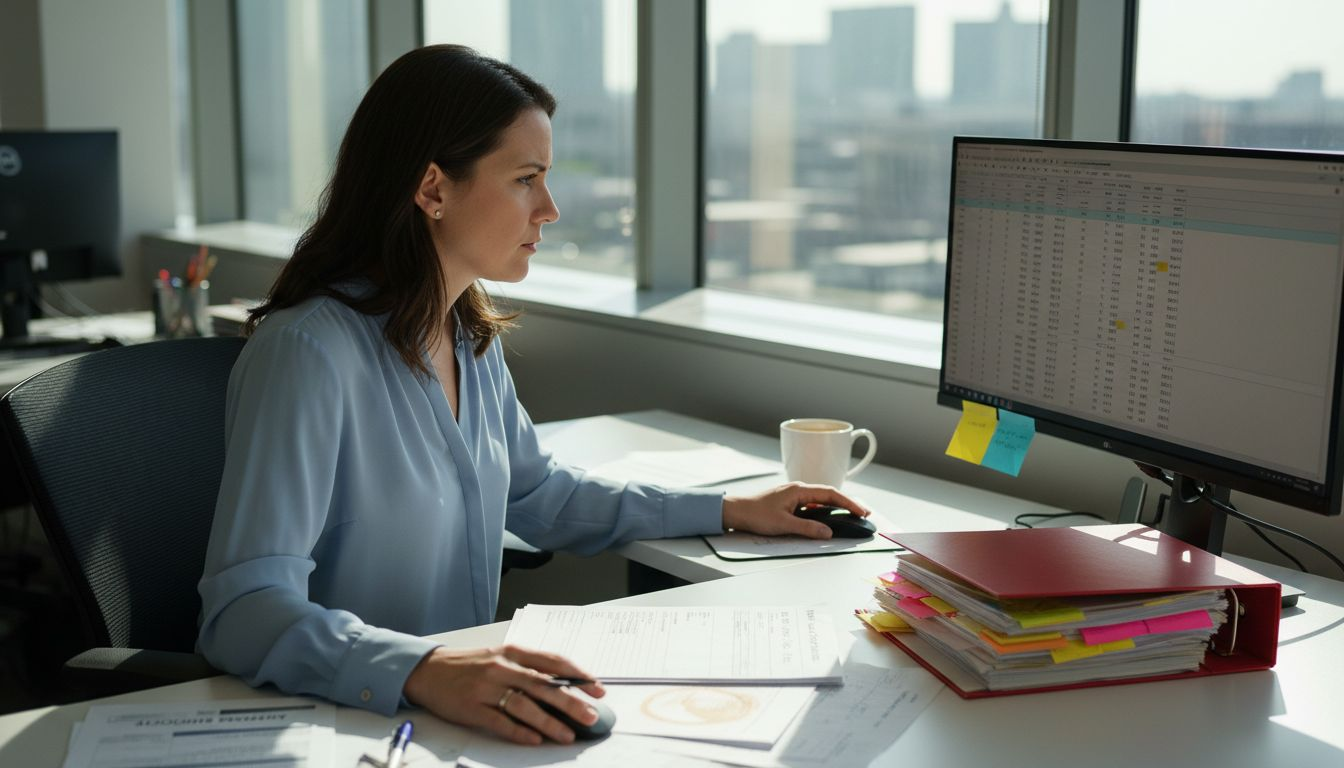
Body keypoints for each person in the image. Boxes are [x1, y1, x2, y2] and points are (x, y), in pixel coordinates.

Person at [196, 44, 869, 747]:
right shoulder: (307, 354)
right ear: (432, 189)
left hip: (467, 716)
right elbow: (244, 610)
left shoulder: (466, 334)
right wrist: (426, 667)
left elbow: (538, 494)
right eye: (526, 179)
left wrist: (729, 508)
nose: (549, 209)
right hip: (351, 724)